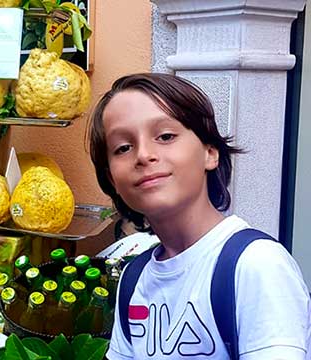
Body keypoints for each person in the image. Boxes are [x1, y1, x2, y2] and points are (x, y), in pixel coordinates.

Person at [87, 73, 311, 359]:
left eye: (165, 136)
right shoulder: (134, 279)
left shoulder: (256, 265)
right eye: (123, 148)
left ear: (210, 152)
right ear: (111, 178)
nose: (143, 155)